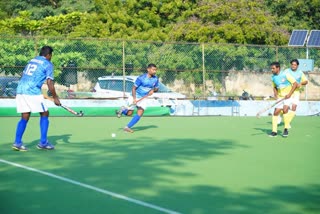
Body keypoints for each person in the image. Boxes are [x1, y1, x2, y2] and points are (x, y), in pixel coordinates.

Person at [12, 46, 61, 151]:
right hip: (32, 91)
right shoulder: (48, 64)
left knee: (25, 116)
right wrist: (55, 97)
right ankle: (43, 142)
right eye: (51, 55)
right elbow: (49, 82)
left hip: (20, 89)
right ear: (48, 55)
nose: (51, 57)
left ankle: (17, 142)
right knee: (44, 113)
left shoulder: (32, 60)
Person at [116, 63, 159, 133]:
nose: (155, 71)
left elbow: (157, 89)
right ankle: (123, 110)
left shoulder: (155, 79)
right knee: (129, 113)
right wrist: (134, 99)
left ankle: (127, 127)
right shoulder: (141, 78)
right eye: (153, 70)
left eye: (155, 70)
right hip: (134, 96)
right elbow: (133, 88)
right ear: (148, 69)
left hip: (143, 98)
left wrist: (153, 90)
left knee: (140, 112)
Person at [269, 62, 298, 137]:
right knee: (276, 112)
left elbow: (295, 84)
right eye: (271, 68)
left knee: (285, 110)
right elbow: (274, 87)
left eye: (273, 68)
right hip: (281, 97)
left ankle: (286, 129)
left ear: (278, 68)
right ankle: (274, 131)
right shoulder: (273, 77)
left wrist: (289, 94)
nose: (272, 70)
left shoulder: (286, 74)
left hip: (289, 96)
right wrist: (276, 95)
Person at [278, 59, 308, 127]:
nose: (293, 66)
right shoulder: (286, 71)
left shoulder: (300, 72)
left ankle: (287, 122)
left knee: (294, 108)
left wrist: (301, 83)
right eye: (292, 64)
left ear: (297, 66)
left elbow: (306, 81)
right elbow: (281, 79)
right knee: (286, 108)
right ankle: (281, 114)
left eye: (295, 65)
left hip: (296, 92)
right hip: (288, 92)